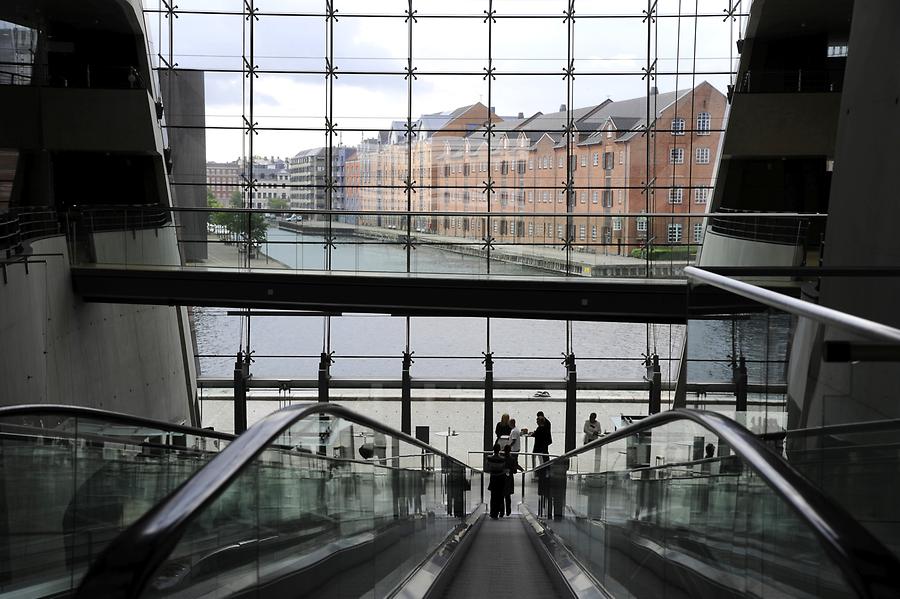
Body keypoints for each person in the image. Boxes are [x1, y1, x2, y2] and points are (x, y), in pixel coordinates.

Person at [485, 444, 507, 519]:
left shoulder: (489, 458)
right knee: (500, 495)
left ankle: (493, 512)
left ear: (493, 449)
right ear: (499, 449)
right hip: (501, 478)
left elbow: (487, 468)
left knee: (493, 496)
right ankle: (499, 511)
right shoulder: (503, 459)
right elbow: (504, 468)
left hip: (493, 477)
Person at [502, 445, 524, 517]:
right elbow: (515, 469)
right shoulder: (512, 459)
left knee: (501, 495)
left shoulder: (501, 458)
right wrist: (521, 470)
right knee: (508, 496)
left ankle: (501, 511)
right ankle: (508, 511)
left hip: (501, 477)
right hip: (509, 478)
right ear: (510, 450)